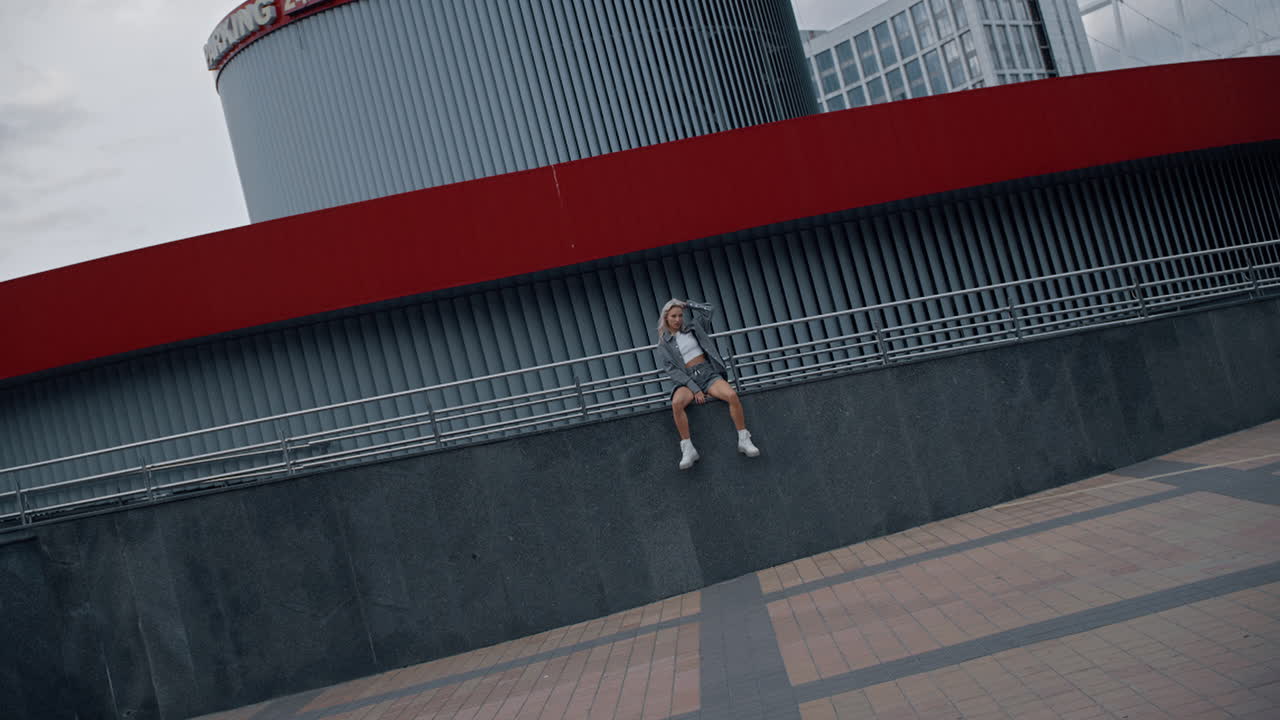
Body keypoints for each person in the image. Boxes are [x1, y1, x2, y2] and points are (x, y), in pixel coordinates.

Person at [655, 298, 760, 469]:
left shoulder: (695, 327)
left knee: (732, 395)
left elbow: (709, 310)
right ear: (666, 318)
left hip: (708, 374)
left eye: (680, 315)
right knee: (676, 403)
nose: (678, 319)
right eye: (673, 316)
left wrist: (688, 304)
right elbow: (672, 371)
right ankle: (688, 448)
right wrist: (695, 389)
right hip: (687, 381)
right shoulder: (663, 344)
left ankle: (744, 439)